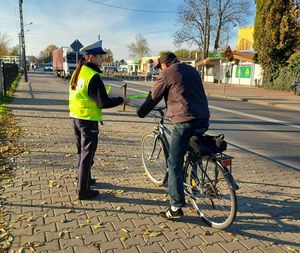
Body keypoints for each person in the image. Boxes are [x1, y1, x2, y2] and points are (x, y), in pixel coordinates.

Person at [137, 52, 210, 219]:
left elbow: (153, 96)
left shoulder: (167, 73)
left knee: (174, 161)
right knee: (193, 154)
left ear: (165, 64)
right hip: (203, 119)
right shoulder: (192, 70)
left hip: (184, 121)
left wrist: (141, 112)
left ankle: (175, 207)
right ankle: (194, 184)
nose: (159, 70)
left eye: (160, 67)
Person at [69, 41, 129, 200]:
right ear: (91, 57)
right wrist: (121, 100)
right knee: (87, 154)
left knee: (81, 152)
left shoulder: (79, 71)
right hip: (87, 120)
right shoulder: (93, 76)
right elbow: (103, 102)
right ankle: (83, 190)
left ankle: (83, 178)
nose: (103, 58)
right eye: (100, 56)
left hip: (76, 117)